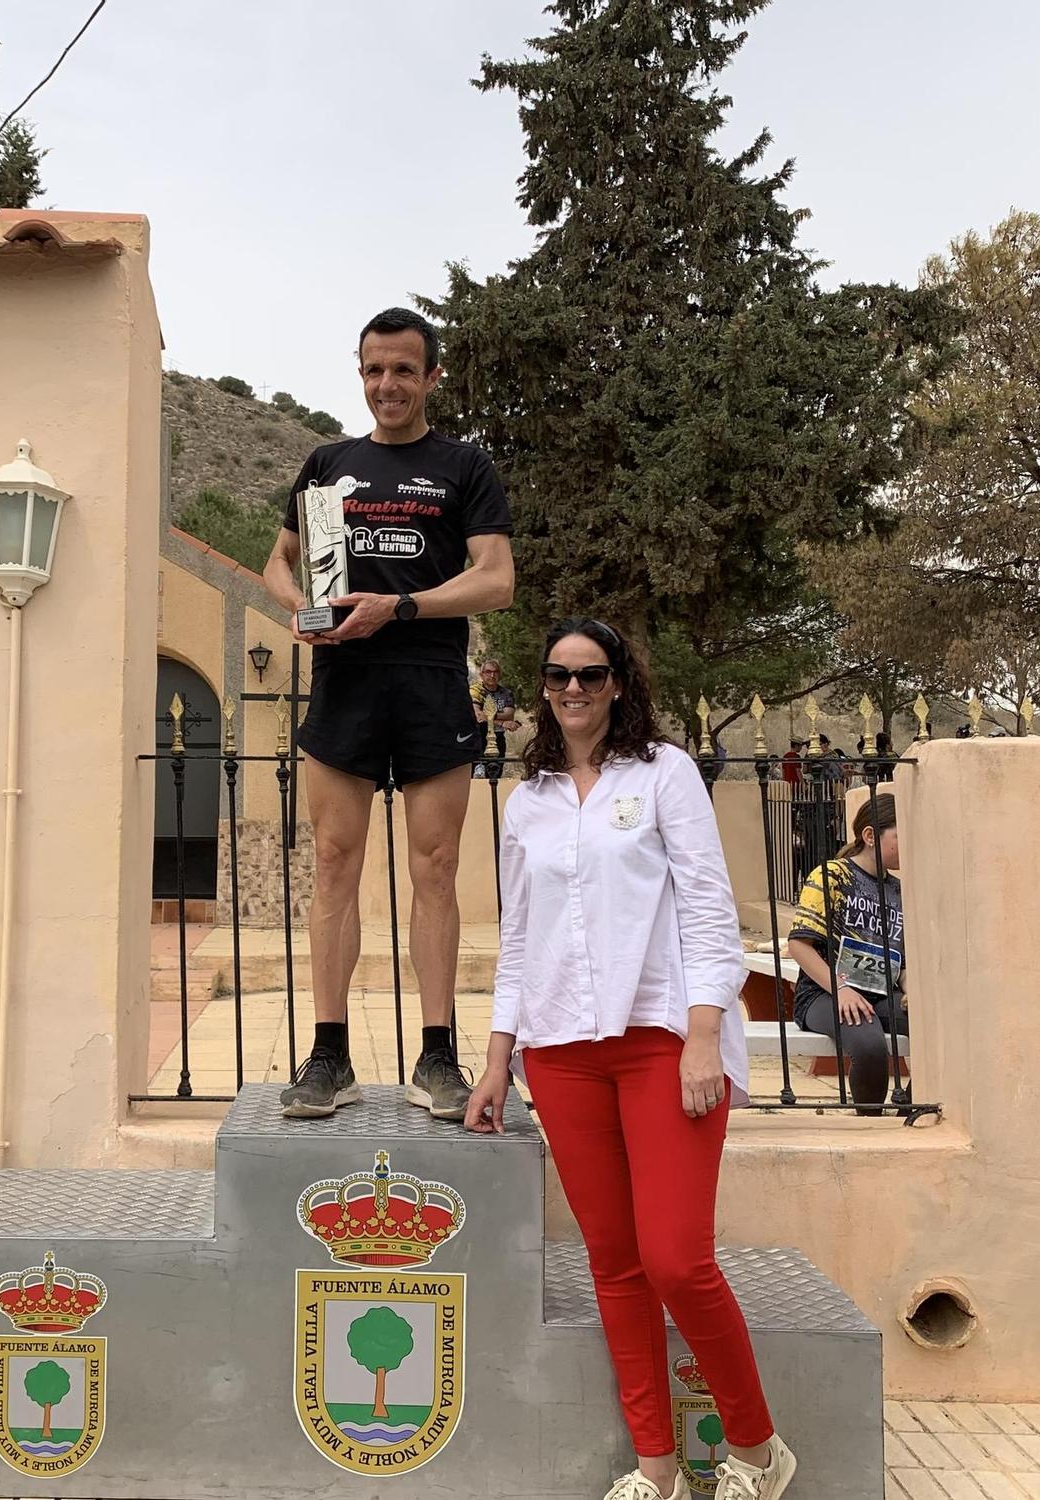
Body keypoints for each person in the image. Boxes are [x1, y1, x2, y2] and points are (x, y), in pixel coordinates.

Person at [464, 619, 797, 1500]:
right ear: (541, 687)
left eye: (592, 674)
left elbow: (708, 912)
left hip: (662, 1041)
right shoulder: (526, 798)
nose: (573, 688)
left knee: (676, 1260)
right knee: (612, 1261)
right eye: (558, 674)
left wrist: (700, 1036)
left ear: (618, 684)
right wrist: (500, 1060)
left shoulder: (664, 774)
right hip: (561, 1052)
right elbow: (519, 939)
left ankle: (758, 1451)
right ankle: (657, 1466)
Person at [263, 307, 516, 1120]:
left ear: (432, 376)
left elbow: (495, 579)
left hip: (430, 677)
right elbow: (279, 561)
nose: (387, 385)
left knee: (434, 869)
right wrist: (303, 608)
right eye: (374, 370)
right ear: (361, 374)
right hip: (343, 681)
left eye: (404, 370)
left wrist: (398, 609)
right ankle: (328, 1056)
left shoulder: (464, 466)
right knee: (335, 863)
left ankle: (437, 1056)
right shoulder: (328, 465)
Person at [788, 794, 905, 1112]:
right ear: (870, 836)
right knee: (870, 1046)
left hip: (881, 993)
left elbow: (900, 958)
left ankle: (911, 1102)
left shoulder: (897, 890)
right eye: (901, 835)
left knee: (941, 1025)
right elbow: (799, 944)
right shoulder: (832, 877)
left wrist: (911, 991)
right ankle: (870, 1122)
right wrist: (841, 990)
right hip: (825, 995)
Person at [471, 657, 519, 777]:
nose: (492, 675)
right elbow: (478, 715)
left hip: (498, 739)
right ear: (482, 674)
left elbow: (509, 714)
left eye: (495, 672)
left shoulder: (506, 693)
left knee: (495, 775)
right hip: (479, 739)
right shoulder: (476, 691)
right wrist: (502, 723)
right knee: (477, 777)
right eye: (488, 672)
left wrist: (488, 715)